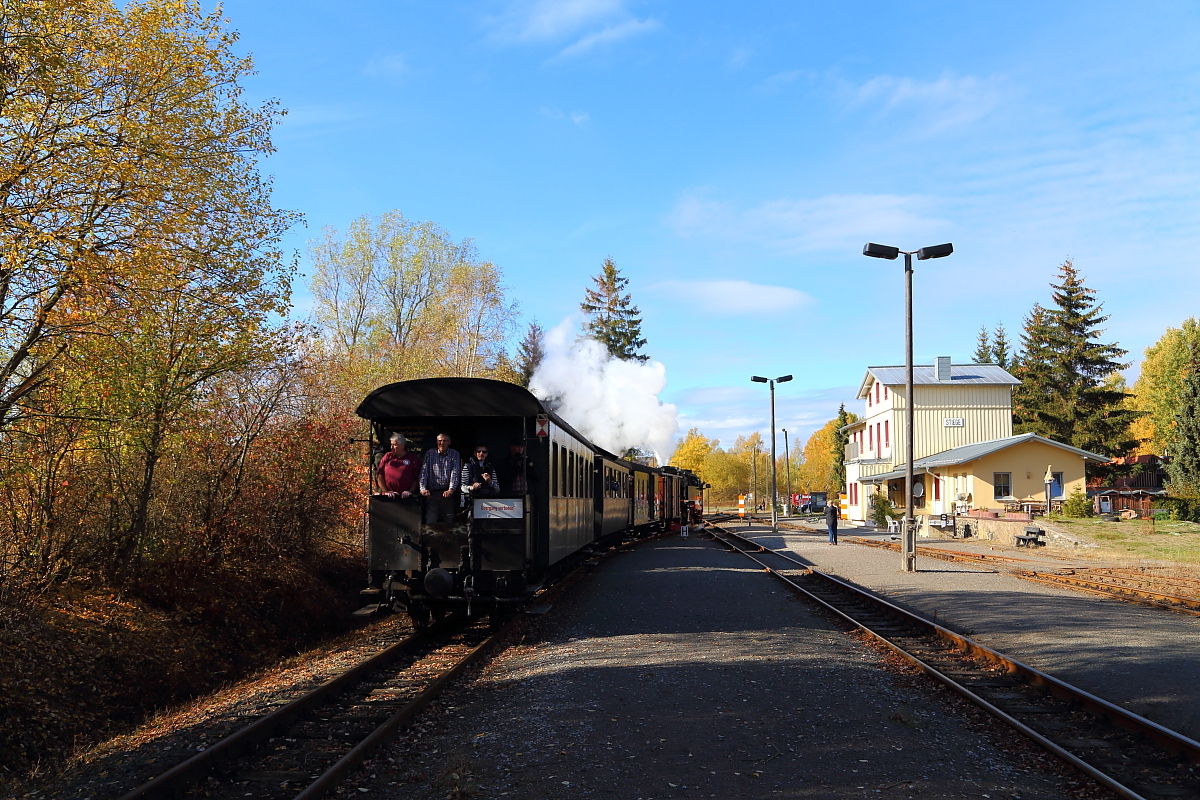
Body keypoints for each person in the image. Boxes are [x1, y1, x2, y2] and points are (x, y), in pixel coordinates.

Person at [420, 432, 461, 523]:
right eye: (439, 441)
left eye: (444, 441)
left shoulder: (454, 454)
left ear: (449, 442)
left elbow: (455, 473)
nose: (442, 443)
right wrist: (422, 488)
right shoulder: (430, 453)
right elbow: (424, 472)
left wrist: (451, 489)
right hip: (432, 495)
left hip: (447, 495)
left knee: (448, 522)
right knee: (430, 522)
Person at [377, 433, 419, 498]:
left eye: (394, 445)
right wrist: (385, 491)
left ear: (402, 446)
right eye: (391, 445)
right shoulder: (387, 456)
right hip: (389, 497)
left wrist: (410, 491)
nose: (391, 447)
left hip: (406, 498)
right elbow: (379, 475)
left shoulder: (412, 458)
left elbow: (417, 478)